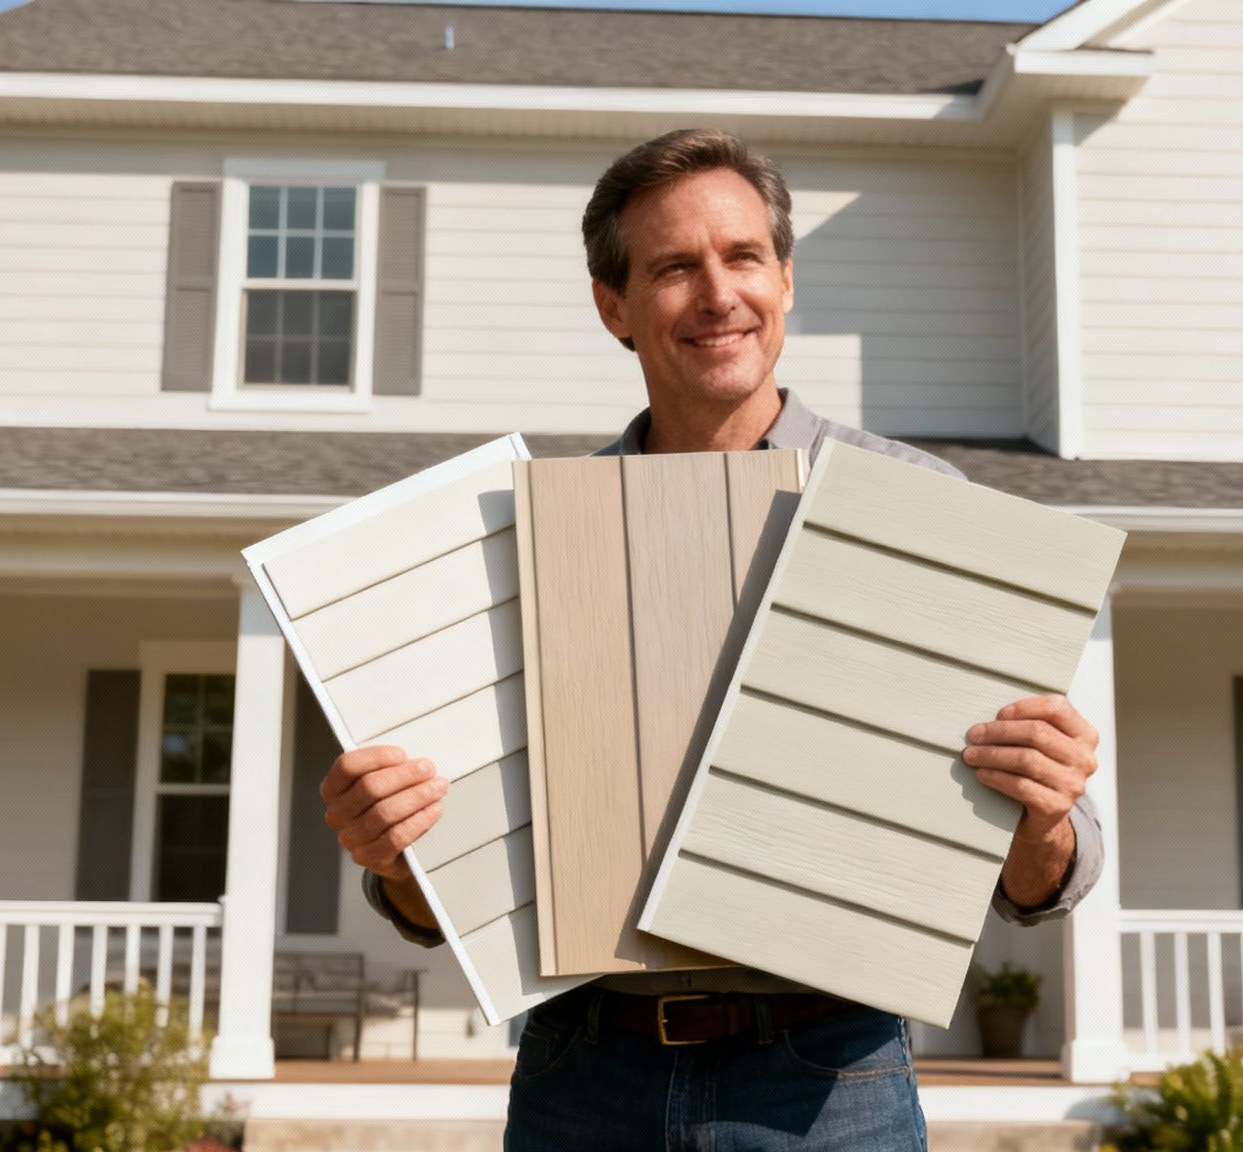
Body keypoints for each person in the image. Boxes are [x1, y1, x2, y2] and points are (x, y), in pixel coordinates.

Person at [320, 128, 1104, 1151]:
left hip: (829, 1081)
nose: (716, 293)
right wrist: (391, 857)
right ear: (614, 307)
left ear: (784, 279)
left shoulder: (919, 511)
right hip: (580, 1072)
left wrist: (1040, 815)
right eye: (673, 268)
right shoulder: (519, 541)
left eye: (741, 257)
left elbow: (1042, 877)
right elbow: (439, 892)